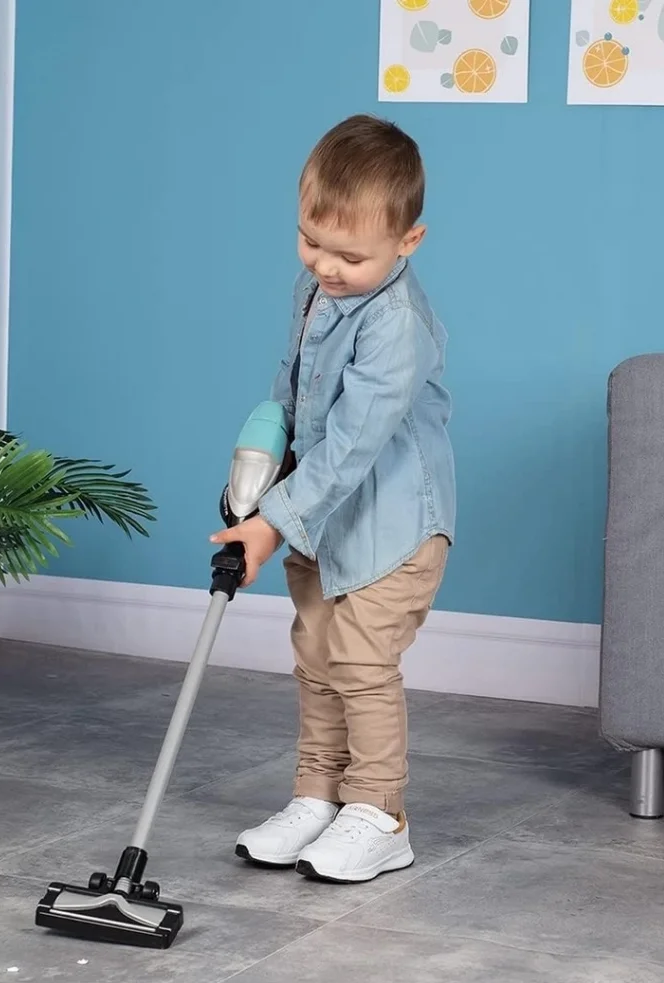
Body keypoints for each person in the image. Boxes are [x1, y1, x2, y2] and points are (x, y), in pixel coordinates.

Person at [210, 113, 456, 884]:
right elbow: (292, 389)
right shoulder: (314, 290)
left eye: (351, 255)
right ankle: (318, 797)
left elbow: (352, 442)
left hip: (393, 528)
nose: (327, 266)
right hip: (320, 518)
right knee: (317, 657)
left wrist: (273, 524)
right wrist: (259, 480)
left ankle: (380, 814)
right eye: (311, 241)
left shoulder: (398, 326)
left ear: (408, 241)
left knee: (359, 661)